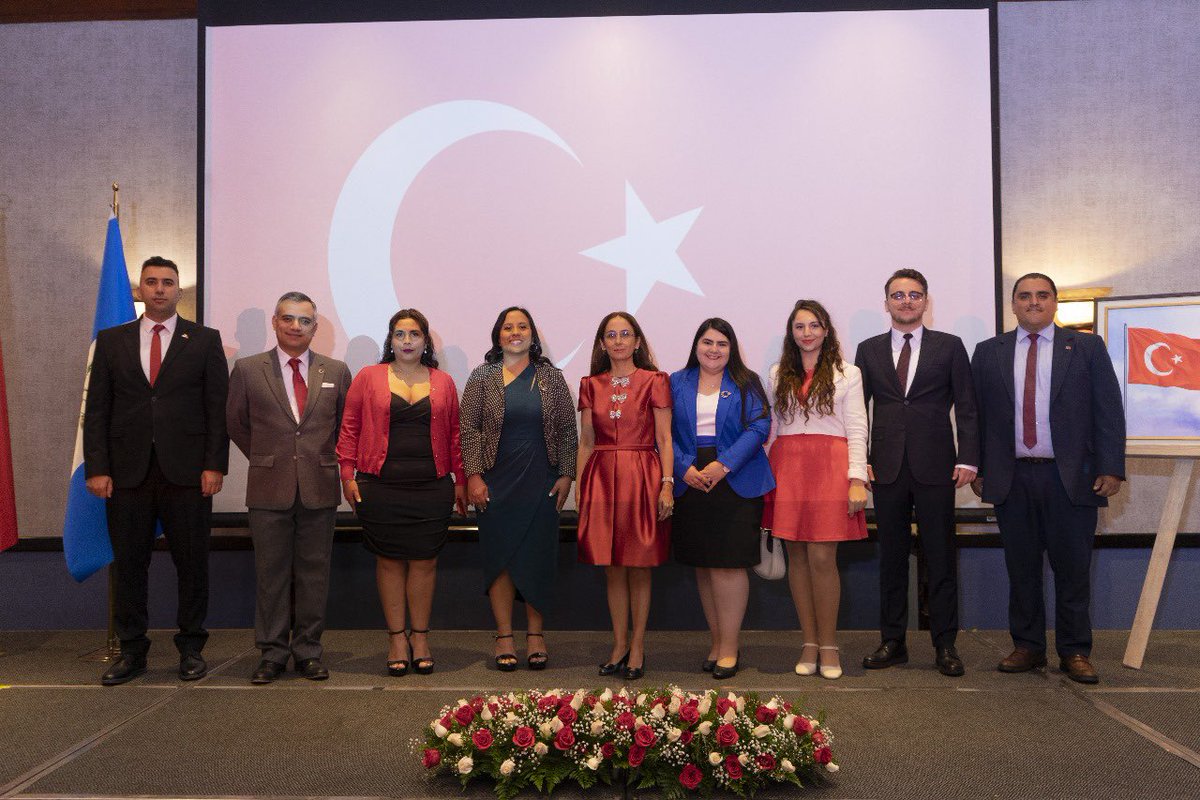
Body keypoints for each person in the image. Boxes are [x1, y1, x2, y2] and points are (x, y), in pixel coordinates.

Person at [970, 273, 1124, 684]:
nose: (1033, 302)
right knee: (1021, 569)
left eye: (1042, 295)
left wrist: (1111, 466)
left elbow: (1108, 409)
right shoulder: (988, 352)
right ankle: (1028, 647)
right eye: (1025, 296)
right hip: (1012, 477)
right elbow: (977, 418)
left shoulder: (1087, 347)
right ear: (1014, 304)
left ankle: (1074, 651)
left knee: (1073, 569)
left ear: (1055, 302)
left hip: (1071, 478)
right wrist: (977, 467)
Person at [84, 256, 228, 686]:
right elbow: (97, 411)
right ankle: (131, 651)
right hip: (126, 473)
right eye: (151, 282)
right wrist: (98, 468)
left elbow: (215, 411)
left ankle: (190, 648)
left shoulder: (203, 340)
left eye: (168, 282)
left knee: (192, 564)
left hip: (187, 472)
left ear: (178, 291)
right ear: (140, 289)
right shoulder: (111, 340)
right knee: (129, 564)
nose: (160, 289)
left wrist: (214, 465)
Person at [855, 269, 979, 677]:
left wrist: (968, 459)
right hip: (886, 469)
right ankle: (893, 641)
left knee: (940, 557)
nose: (906, 301)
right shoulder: (868, 350)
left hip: (936, 467)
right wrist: (860, 462)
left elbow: (966, 405)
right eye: (898, 295)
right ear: (886, 302)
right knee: (891, 558)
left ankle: (945, 644)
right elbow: (859, 412)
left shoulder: (950, 347)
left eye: (914, 295)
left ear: (926, 301)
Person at [226, 292, 351, 684]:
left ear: (315, 327)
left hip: (320, 485)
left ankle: (309, 652)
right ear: (275, 322)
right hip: (268, 486)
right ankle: (272, 653)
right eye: (288, 319)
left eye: (305, 321)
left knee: (315, 574)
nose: (296, 327)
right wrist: (266, 457)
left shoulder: (336, 370)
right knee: (271, 574)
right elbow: (236, 423)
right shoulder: (247, 370)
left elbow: (344, 428)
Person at [337, 309, 466, 677]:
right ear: (390, 340)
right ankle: (396, 638)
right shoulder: (368, 377)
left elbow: (455, 436)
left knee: (425, 562)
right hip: (379, 485)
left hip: (431, 486)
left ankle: (420, 638)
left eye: (414, 334)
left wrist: (459, 480)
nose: (407, 341)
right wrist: (348, 475)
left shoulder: (444, 381)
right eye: (399, 334)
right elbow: (349, 429)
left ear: (426, 340)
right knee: (389, 561)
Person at [460, 306, 578, 671]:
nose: (515, 332)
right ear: (498, 334)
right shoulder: (482, 377)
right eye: (508, 327)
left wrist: (566, 475)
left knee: (538, 556)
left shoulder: (551, 378)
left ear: (532, 334)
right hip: (495, 481)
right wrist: (474, 475)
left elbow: (567, 432)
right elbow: (469, 430)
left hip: (542, 480)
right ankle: (504, 636)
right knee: (501, 558)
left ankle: (536, 636)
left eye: (522, 326)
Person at [764, 299, 868, 680]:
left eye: (814, 325)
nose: (807, 333)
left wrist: (857, 478)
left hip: (830, 466)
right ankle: (808, 642)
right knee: (798, 560)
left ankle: (829, 645)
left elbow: (857, 427)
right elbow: (773, 427)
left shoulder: (848, 373)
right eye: (799, 326)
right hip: (788, 466)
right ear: (791, 333)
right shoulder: (777, 373)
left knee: (823, 559)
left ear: (826, 330)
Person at [669, 318, 774, 680]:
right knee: (704, 563)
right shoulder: (675, 382)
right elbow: (661, 433)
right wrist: (683, 468)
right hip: (690, 479)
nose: (713, 349)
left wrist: (723, 465)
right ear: (696, 344)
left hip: (736, 476)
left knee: (729, 564)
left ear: (732, 349)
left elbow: (760, 427)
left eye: (722, 344)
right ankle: (716, 642)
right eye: (707, 342)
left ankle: (730, 647)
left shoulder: (747, 382)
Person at [576, 311, 673, 680]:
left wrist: (667, 483)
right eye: (611, 335)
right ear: (602, 343)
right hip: (601, 477)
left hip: (641, 476)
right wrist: (583, 488)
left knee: (639, 565)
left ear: (637, 341)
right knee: (612, 567)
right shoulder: (590, 384)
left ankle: (638, 646)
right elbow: (586, 441)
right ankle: (618, 644)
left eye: (625, 334)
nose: (618, 341)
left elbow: (664, 438)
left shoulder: (655, 381)